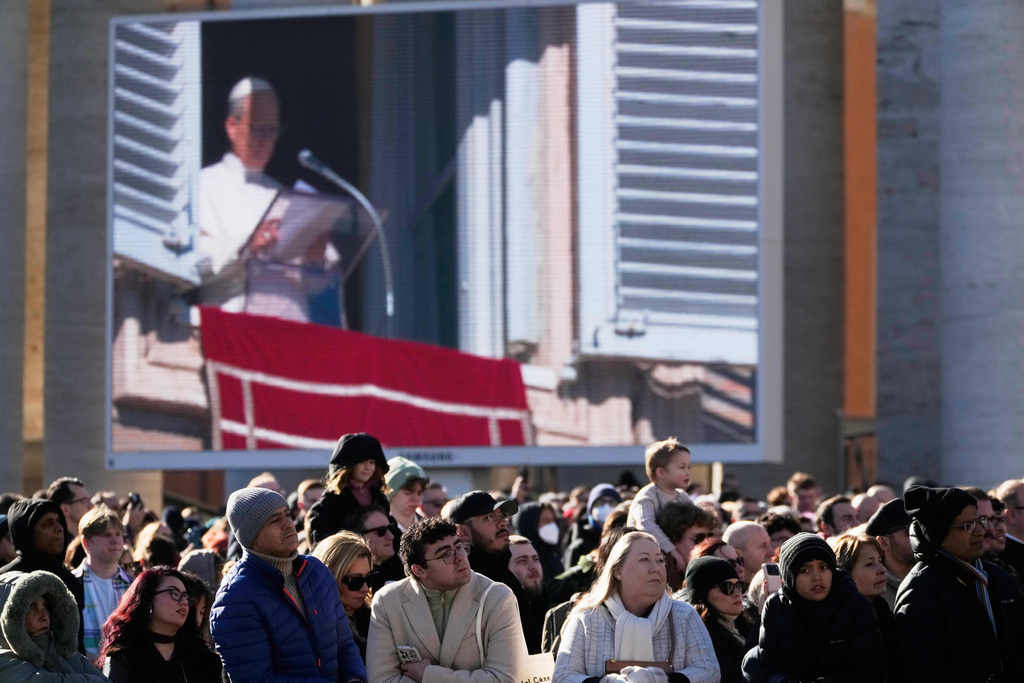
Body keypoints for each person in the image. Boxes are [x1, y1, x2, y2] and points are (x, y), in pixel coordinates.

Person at [197, 76, 338, 321]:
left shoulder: (283, 196)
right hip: (234, 328)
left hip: (293, 332)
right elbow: (191, 261)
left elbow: (318, 290)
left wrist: (315, 257)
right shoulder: (205, 184)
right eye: (258, 129)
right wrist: (246, 246)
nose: (267, 140)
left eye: (272, 130)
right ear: (232, 126)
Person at [211, 487, 367, 683]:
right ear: (252, 535)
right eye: (275, 520)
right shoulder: (235, 598)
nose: (288, 524)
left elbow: (344, 644)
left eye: (287, 514)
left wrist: (355, 678)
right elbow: (256, 679)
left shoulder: (316, 571)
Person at [366, 517, 527, 683]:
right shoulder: (387, 602)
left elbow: (503, 679)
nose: (460, 557)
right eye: (446, 554)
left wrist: (428, 676)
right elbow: (381, 680)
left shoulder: (498, 598)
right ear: (419, 570)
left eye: (460, 547)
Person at [892, 485, 1024, 681]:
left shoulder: (998, 577)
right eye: (967, 526)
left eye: (979, 521)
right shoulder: (921, 588)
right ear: (940, 535)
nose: (980, 531)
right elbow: (925, 666)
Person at [552, 531, 719, 683]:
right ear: (618, 572)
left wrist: (658, 679)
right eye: (644, 559)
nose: (656, 568)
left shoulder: (683, 615)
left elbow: (709, 671)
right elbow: (563, 676)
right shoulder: (587, 617)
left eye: (660, 560)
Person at [743, 533, 884, 682]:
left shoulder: (854, 604)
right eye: (805, 570)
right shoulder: (776, 607)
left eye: (824, 567)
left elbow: (869, 668)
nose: (817, 577)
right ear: (790, 576)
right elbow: (770, 664)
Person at [444, 490, 537, 653]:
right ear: (462, 531)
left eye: (503, 515)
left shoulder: (505, 576)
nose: (502, 523)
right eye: (490, 517)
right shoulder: (461, 581)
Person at [100, 566, 222, 683]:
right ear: (147, 599)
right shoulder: (123, 656)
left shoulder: (202, 659)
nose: (184, 601)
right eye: (174, 592)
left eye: (185, 596)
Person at [1, 498, 86, 653]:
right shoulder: (6, 581)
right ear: (26, 533)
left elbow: (76, 644)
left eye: (59, 521)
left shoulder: (69, 580)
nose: (59, 528)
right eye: (47, 524)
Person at [0, 570, 108, 683]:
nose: (44, 616)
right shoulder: (5, 662)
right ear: (9, 615)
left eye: (44, 605)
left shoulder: (70, 656)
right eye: (32, 607)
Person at [307, 433, 391, 548]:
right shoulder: (329, 502)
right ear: (349, 464)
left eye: (372, 462)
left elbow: (391, 532)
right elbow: (322, 543)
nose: (368, 467)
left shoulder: (379, 497)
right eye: (362, 462)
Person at [72, 506, 134, 656]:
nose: (115, 540)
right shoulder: (70, 584)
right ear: (86, 542)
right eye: (106, 535)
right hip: (83, 674)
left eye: (118, 534)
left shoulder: (135, 586)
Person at [626, 438, 695, 571]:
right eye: (682, 467)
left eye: (688, 467)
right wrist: (672, 550)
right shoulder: (647, 496)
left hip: (677, 557)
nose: (687, 472)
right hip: (644, 557)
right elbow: (646, 525)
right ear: (661, 472)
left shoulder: (683, 497)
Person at [684, 557, 752, 683]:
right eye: (727, 586)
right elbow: (737, 675)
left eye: (739, 585)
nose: (737, 593)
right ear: (703, 595)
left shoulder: (744, 624)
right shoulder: (703, 636)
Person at [312, 531, 376, 662]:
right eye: (355, 581)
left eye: (369, 578)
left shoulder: (375, 616)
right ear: (332, 578)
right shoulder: (320, 629)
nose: (365, 588)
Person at [829, 533, 893, 653]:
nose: (883, 570)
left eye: (880, 561)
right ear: (845, 572)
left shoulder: (884, 613)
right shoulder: (839, 626)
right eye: (869, 564)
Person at [655, 501, 718, 590]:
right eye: (698, 538)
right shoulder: (662, 573)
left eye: (709, 537)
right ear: (673, 537)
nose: (705, 544)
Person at [864, 497, 913, 607]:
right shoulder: (875, 594)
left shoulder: (930, 580)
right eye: (909, 531)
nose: (917, 537)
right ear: (883, 543)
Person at [563, 484, 621, 570]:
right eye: (600, 502)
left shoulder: (624, 539)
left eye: (611, 502)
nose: (606, 507)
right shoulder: (578, 546)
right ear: (591, 508)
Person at [345, 505, 405, 584]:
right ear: (360, 537)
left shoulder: (403, 565)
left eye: (390, 528)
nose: (391, 536)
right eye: (381, 531)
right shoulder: (355, 579)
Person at [511, 501, 564, 585]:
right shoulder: (514, 556)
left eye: (552, 520)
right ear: (530, 524)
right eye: (545, 520)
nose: (552, 525)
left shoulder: (553, 555)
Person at [384, 457, 428, 532]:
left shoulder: (429, 529)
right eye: (409, 492)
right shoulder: (380, 530)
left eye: (419, 492)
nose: (416, 498)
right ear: (390, 491)